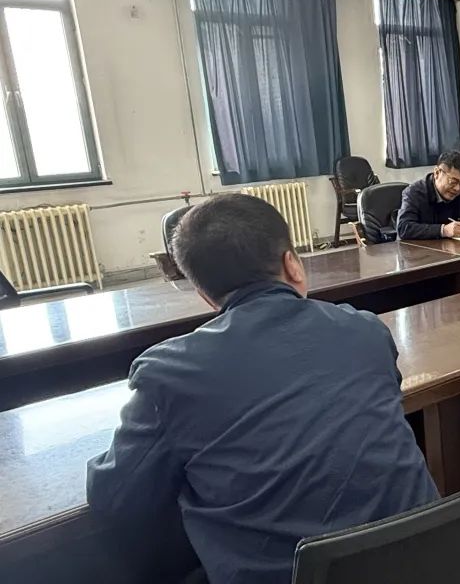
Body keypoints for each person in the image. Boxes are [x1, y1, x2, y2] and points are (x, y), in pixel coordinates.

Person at [86, 194, 438, 584]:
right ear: (293, 264)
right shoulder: (365, 329)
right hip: (431, 562)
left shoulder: (170, 373)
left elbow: (114, 496)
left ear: (204, 295)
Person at [396, 150, 460, 239]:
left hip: (456, 249)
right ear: (437, 173)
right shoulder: (414, 193)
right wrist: (443, 230)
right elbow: (403, 228)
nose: (457, 188)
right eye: (453, 181)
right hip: (422, 251)